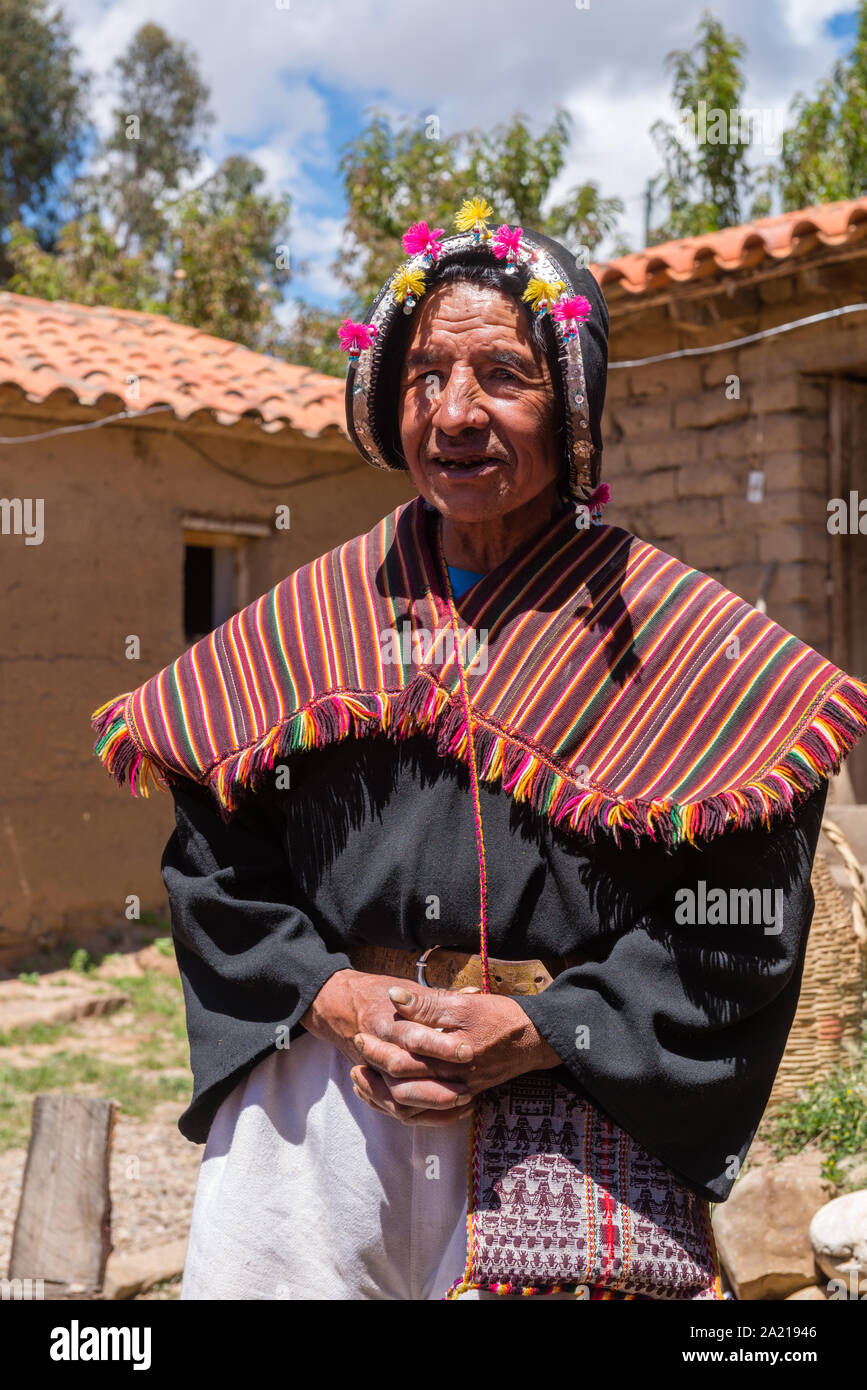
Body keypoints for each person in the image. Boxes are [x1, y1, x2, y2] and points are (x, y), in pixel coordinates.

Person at [91, 202, 867, 1301]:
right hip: (320, 1116)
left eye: (503, 373)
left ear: (576, 406)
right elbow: (215, 868)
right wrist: (331, 995)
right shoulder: (311, 623)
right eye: (423, 376)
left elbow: (742, 912)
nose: (455, 413)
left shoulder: (678, 641)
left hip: (573, 1102)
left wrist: (541, 1026)